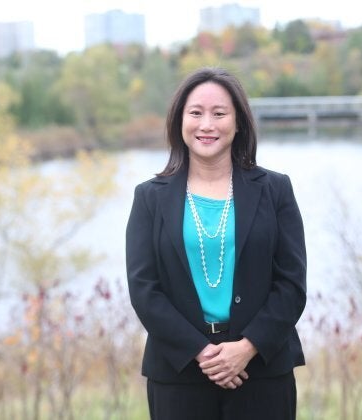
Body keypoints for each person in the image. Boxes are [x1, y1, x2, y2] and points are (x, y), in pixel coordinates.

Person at [125, 66, 307, 420]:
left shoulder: (275, 190)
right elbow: (144, 290)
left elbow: (292, 284)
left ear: (238, 123)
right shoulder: (149, 198)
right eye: (196, 113)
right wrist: (201, 352)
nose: (206, 124)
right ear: (180, 121)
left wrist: (247, 347)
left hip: (262, 372)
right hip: (178, 374)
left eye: (219, 113)